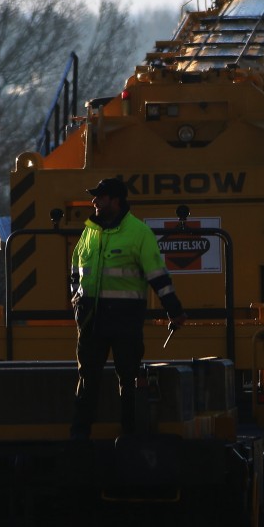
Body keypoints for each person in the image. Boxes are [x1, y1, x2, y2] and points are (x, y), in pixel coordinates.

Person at [70, 178, 186, 438]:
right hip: (91, 320)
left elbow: (158, 276)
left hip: (124, 321)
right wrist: (76, 299)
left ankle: (130, 437)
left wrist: (174, 310)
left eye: (100, 197)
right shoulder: (89, 231)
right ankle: (79, 439)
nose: (94, 202)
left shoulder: (139, 233)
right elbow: (75, 267)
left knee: (130, 381)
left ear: (116, 200)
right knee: (87, 380)